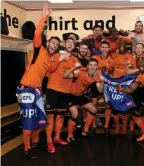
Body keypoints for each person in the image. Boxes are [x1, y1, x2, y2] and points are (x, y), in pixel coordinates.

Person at [16, 3, 60, 159]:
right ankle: (27, 148)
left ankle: (34, 142)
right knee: (28, 120)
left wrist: (60, 61)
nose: (54, 45)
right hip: (26, 88)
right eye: (52, 42)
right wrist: (44, 17)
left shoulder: (49, 58)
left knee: (38, 118)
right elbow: (37, 34)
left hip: (37, 90)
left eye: (57, 44)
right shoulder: (39, 49)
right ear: (48, 43)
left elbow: (49, 72)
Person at [45, 36, 79, 153]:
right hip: (53, 89)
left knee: (60, 116)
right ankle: (49, 142)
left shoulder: (76, 60)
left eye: (72, 43)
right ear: (64, 44)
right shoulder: (56, 55)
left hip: (65, 91)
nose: (70, 44)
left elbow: (76, 75)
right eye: (68, 42)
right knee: (50, 116)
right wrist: (69, 72)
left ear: (74, 46)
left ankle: (57, 138)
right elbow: (50, 70)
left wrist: (68, 74)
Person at [63, 59, 104, 143]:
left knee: (94, 109)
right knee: (75, 114)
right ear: (88, 66)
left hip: (80, 96)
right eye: (91, 65)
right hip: (70, 94)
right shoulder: (81, 72)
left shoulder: (96, 76)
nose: (92, 67)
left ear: (96, 67)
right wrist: (74, 68)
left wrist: (103, 81)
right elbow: (65, 75)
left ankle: (85, 131)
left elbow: (100, 90)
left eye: (94, 65)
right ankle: (69, 136)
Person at [111, 39, 137, 135]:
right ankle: (118, 127)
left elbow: (134, 71)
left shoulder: (131, 57)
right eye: (120, 43)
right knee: (115, 108)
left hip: (126, 85)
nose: (122, 45)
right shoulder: (114, 56)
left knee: (126, 108)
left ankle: (125, 127)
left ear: (126, 46)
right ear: (118, 45)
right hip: (115, 84)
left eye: (124, 43)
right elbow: (110, 69)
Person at [92, 41, 114, 136]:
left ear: (109, 49)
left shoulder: (112, 60)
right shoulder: (94, 58)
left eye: (106, 47)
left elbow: (112, 74)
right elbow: (92, 71)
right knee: (94, 105)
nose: (104, 49)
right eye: (103, 47)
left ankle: (106, 126)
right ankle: (93, 126)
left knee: (108, 106)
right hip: (95, 83)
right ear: (100, 48)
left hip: (107, 85)